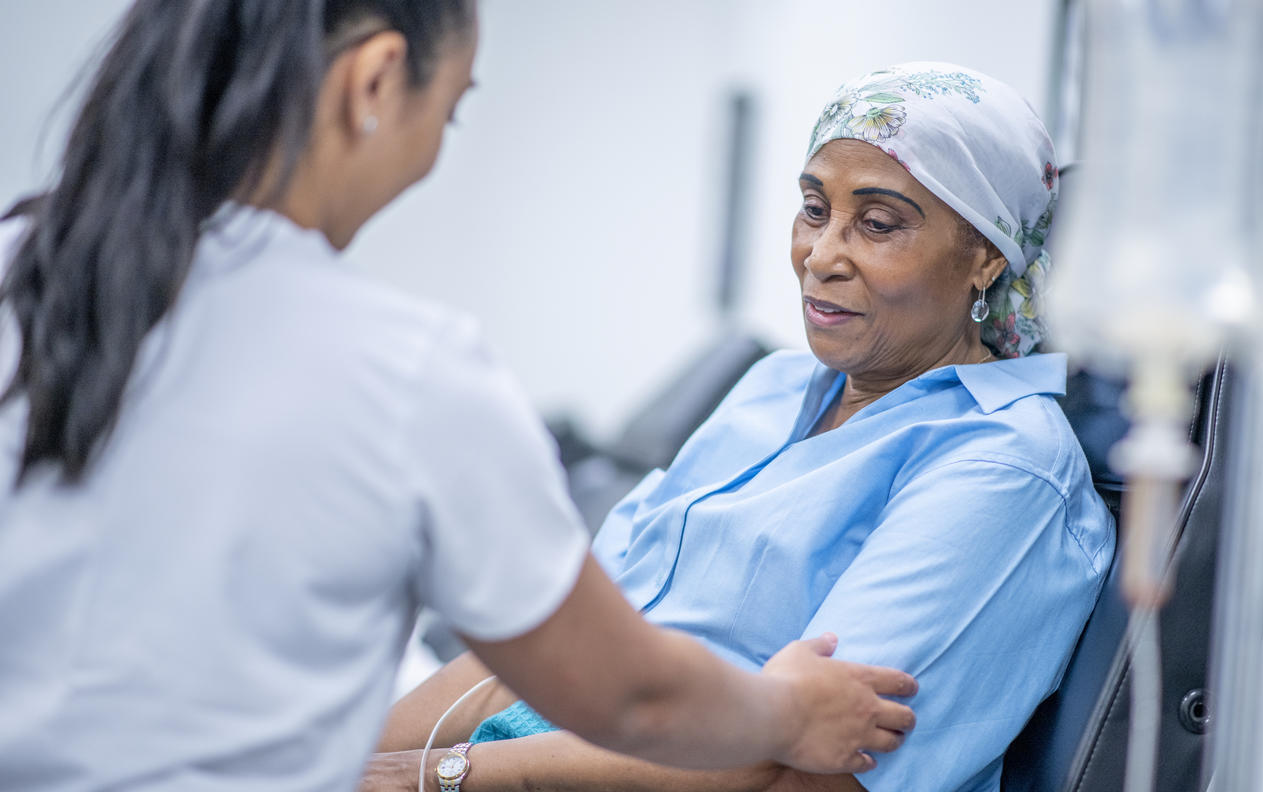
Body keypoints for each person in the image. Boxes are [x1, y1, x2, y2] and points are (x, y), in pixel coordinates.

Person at [0, 3, 920, 791]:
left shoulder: (19, 268)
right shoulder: (406, 371)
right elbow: (631, 693)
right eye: (452, 110)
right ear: (375, 82)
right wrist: (788, 710)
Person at [360, 63, 1115, 792]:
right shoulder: (773, 387)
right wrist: (351, 765)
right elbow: (563, 643)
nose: (820, 256)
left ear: (984, 257)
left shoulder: (1004, 467)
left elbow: (810, 767)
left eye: (877, 224)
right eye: (814, 209)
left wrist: (436, 776)